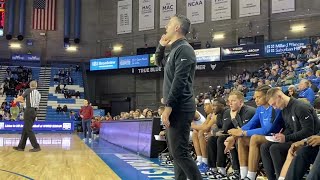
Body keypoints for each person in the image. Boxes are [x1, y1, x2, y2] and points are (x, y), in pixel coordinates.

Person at [155, 14, 201, 180]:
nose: (165, 28)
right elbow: (158, 62)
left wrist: (168, 106)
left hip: (180, 107)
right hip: (175, 107)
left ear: (176, 28)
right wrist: (161, 46)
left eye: (168, 24)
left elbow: (179, 81)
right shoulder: (174, 50)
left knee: (180, 153)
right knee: (176, 153)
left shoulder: (185, 50)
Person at [260, 87, 320, 180]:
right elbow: (290, 128)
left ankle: (282, 177)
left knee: (275, 148)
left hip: (309, 140)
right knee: (265, 146)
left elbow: (308, 131)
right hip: (296, 138)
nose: (274, 107)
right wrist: (281, 136)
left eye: (274, 104)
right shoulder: (284, 109)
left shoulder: (300, 107)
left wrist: (286, 138)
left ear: (280, 96)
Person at [227, 85, 283, 180]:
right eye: (255, 97)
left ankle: (251, 176)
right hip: (266, 138)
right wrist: (234, 136)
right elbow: (250, 125)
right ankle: (243, 175)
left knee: (254, 137)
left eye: (258, 97)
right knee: (241, 139)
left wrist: (243, 133)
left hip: (276, 136)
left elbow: (267, 129)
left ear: (267, 96)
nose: (256, 100)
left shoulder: (275, 107)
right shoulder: (260, 109)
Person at [208, 91, 256, 179]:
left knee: (233, 140)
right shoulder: (233, 112)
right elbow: (222, 129)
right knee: (220, 139)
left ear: (241, 102)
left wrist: (233, 119)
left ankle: (239, 172)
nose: (230, 103)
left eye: (233, 100)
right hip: (243, 137)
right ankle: (217, 168)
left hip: (253, 138)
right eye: (229, 101)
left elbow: (242, 130)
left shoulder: (249, 111)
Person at [13, 80, 41, 152]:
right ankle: (21, 147)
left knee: (28, 129)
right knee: (25, 129)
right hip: (34, 111)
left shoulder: (28, 90)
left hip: (29, 110)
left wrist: (16, 100)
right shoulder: (38, 93)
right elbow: (28, 101)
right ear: (36, 86)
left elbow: (21, 98)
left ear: (30, 85)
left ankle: (36, 146)